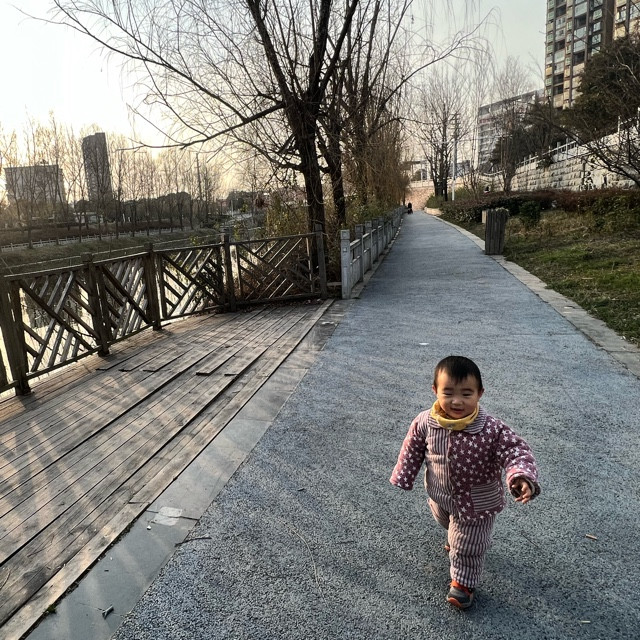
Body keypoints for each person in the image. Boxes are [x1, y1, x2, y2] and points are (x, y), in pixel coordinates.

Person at [390, 355, 540, 610]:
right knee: (445, 521)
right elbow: (412, 449)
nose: (457, 401)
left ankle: (463, 583)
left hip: (476, 503)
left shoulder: (491, 429)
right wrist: (404, 474)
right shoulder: (425, 422)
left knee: (467, 546)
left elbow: (515, 451)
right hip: (440, 494)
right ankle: (456, 536)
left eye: (466, 394)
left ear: (480, 393)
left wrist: (520, 475)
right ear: (435, 390)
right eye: (448, 393)